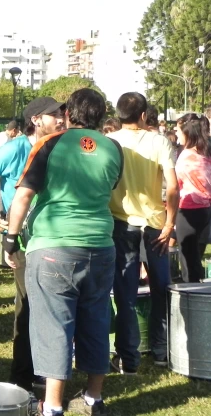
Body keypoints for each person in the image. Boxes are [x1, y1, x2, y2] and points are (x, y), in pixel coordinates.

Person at [6, 88, 124, 416]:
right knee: (97, 319)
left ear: (68, 114)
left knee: (53, 325)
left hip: (53, 246)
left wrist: (10, 238)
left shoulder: (49, 143)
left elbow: (24, 196)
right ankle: (93, 397)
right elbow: (109, 189)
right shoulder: (114, 148)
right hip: (100, 246)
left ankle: (53, 404)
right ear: (102, 115)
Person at [0, 97, 66, 393]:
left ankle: (44, 370)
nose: (61, 118)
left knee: (49, 305)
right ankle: (23, 375)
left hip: (54, 235)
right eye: (54, 114)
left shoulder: (59, 145)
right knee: (29, 306)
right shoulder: (15, 148)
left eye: (62, 113)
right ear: (36, 119)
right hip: (23, 239)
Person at [107, 92, 178, 373]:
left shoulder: (111, 142)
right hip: (156, 225)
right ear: (145, 115)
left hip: (121, 222)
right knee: (161, 288)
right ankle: (162, 351)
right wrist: (171, 223)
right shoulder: (160, 141)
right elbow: (172, 186)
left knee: (125, 292)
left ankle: (128, 358)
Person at [174, 113, 211, 283]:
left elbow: (176, 184)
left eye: (179, 130)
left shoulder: (186, 156)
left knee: (188, 260)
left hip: (187, 210)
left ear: (188, 133)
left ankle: (192, 295)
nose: (176, 133)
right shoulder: (206, 153)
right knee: (196, 257)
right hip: (206, 210)